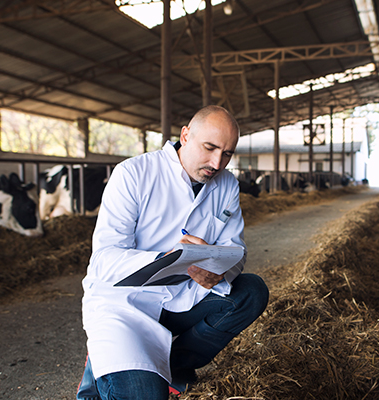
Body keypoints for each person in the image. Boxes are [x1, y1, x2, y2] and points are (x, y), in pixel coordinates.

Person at [76, 105, 269, 400]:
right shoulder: (133, 174)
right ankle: (108, 364)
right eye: (210, 148)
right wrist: (166, 258)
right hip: (126, 303)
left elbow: (236, 249)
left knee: (251, 292)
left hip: (183, 295)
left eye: (227, 153)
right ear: (185, 135)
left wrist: (219, 270)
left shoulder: (227, 184)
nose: (217, 163)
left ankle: (173, 366)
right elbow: (104, 259)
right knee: (146, 396)